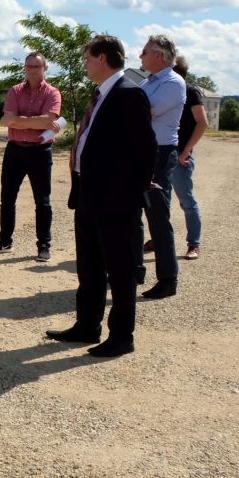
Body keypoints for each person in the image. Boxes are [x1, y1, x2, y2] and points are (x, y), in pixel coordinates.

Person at [46, 35, 155, 357]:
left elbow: (145, 150)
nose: (85, 64)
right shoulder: (102, 94)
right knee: (89, 266)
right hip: (90, 193)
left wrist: (131, 193)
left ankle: (122, 336)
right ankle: (87, 325)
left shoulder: (129, 94)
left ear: (103, 58)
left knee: (120, 271)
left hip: (116, 199)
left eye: (88, 59)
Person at [0, 53, 62, 261]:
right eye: (28, 66)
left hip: (40, 151)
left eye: (37, 66)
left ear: (45, 68)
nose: (32, 70)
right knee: (7, 198)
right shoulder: (15, 91)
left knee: (42, 201)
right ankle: (5, 240)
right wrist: (34, 122)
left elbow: (47, 122)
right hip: (15, 150)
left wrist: (18, 121)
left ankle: (44, 244)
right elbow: (5, 121)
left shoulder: (53, 93)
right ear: (24, 68)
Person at [138, 34, 186, 299]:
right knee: (133, 214)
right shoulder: (147, 81)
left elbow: (145, 111)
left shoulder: (173, 82)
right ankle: (135, 270)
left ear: (159, 55)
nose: (140, 56)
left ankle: (168, 280)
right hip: (142, 153)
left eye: (144, 52)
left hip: (160, 153)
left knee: (158, 217)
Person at [167, 56, 207, 260]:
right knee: (160, 203)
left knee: (187, 202)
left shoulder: (190, 92)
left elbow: (202, 123)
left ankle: (194, 244)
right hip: (162, 155)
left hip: (180, 158)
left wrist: (185, 152)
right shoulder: (167, 92)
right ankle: (160, 239)